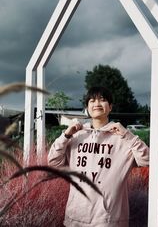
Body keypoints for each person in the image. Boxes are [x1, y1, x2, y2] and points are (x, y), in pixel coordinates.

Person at [48, 86, 149, 227]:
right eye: (92, 101)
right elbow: (53, 163)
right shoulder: (77, 135)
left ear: (110, 107)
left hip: (109, 220)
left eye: (102, 100)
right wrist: (66, 135)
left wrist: (128, 135)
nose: (96, 104)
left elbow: (147, 160)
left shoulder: (122, 138)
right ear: (87, 107)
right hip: (76, 218)